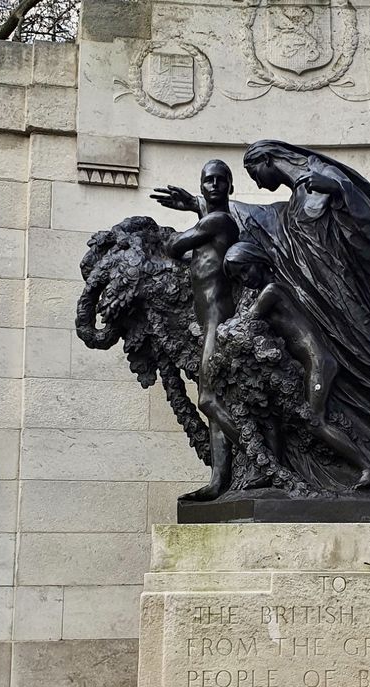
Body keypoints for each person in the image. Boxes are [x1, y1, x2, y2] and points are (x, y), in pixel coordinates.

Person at [152, 141, 370, 492]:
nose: (258, 182)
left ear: (268, 160)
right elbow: (257, 219)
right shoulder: (296, 198)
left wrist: (341, 192)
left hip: (342, 297)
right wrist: (196, 205)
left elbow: (363, 216)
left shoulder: (320, 181)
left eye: (256, 173)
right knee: (363, 381)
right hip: (320, 304)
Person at [223, 241, 370, 489]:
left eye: (244, 270)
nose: (244, 279)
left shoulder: (271, 291)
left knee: (315, 421)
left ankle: (367, 466)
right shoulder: (273, 289)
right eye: (237, 277)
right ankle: (276, 469)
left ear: (258, 261)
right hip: (311, 363)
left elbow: (244, 322)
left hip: (319, 362)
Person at [151, 160, 240, 500]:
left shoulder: (218, 221)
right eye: (208, 180)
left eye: (221, 180)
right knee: (216, 403)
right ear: (202, 186)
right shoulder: (213, 217)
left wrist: (194, 210)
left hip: (218, 322)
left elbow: (174, 246)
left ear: (230, 187)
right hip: (207, 323)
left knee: (207, 398)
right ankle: (219, 481)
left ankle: (264, 458)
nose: (214, 185)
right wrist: (193, 204)